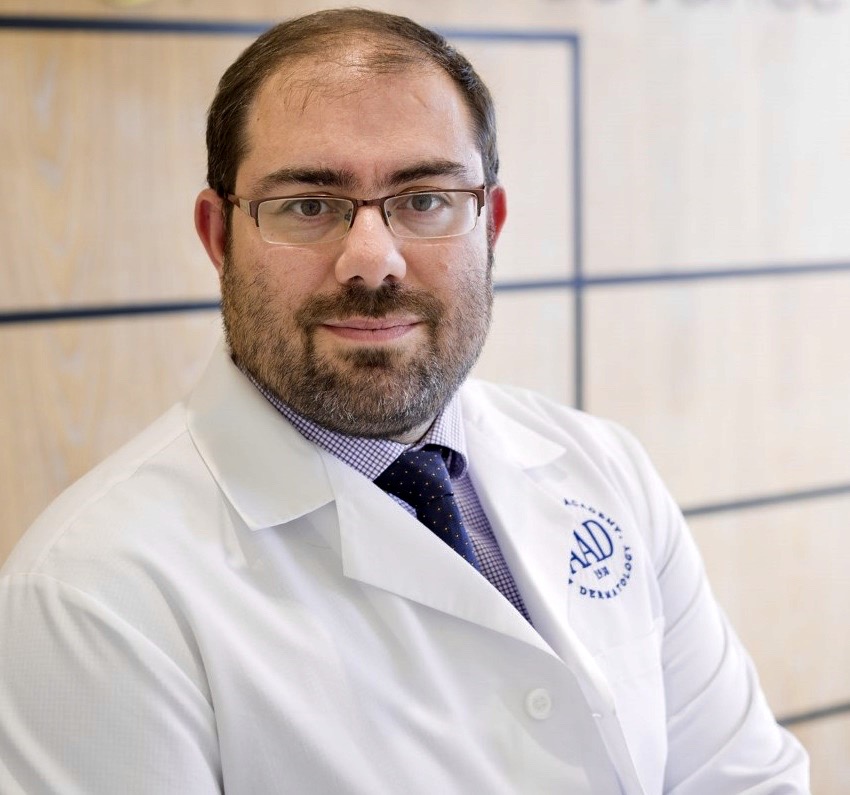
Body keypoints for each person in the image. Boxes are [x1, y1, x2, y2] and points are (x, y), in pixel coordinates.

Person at [0, 9, 809, 794]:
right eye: (308, 205)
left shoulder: (604, 465)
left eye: (424, 199)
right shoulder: (93, 594)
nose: (373, 260)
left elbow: (745, 777)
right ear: (219, 238)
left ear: (490, 225)